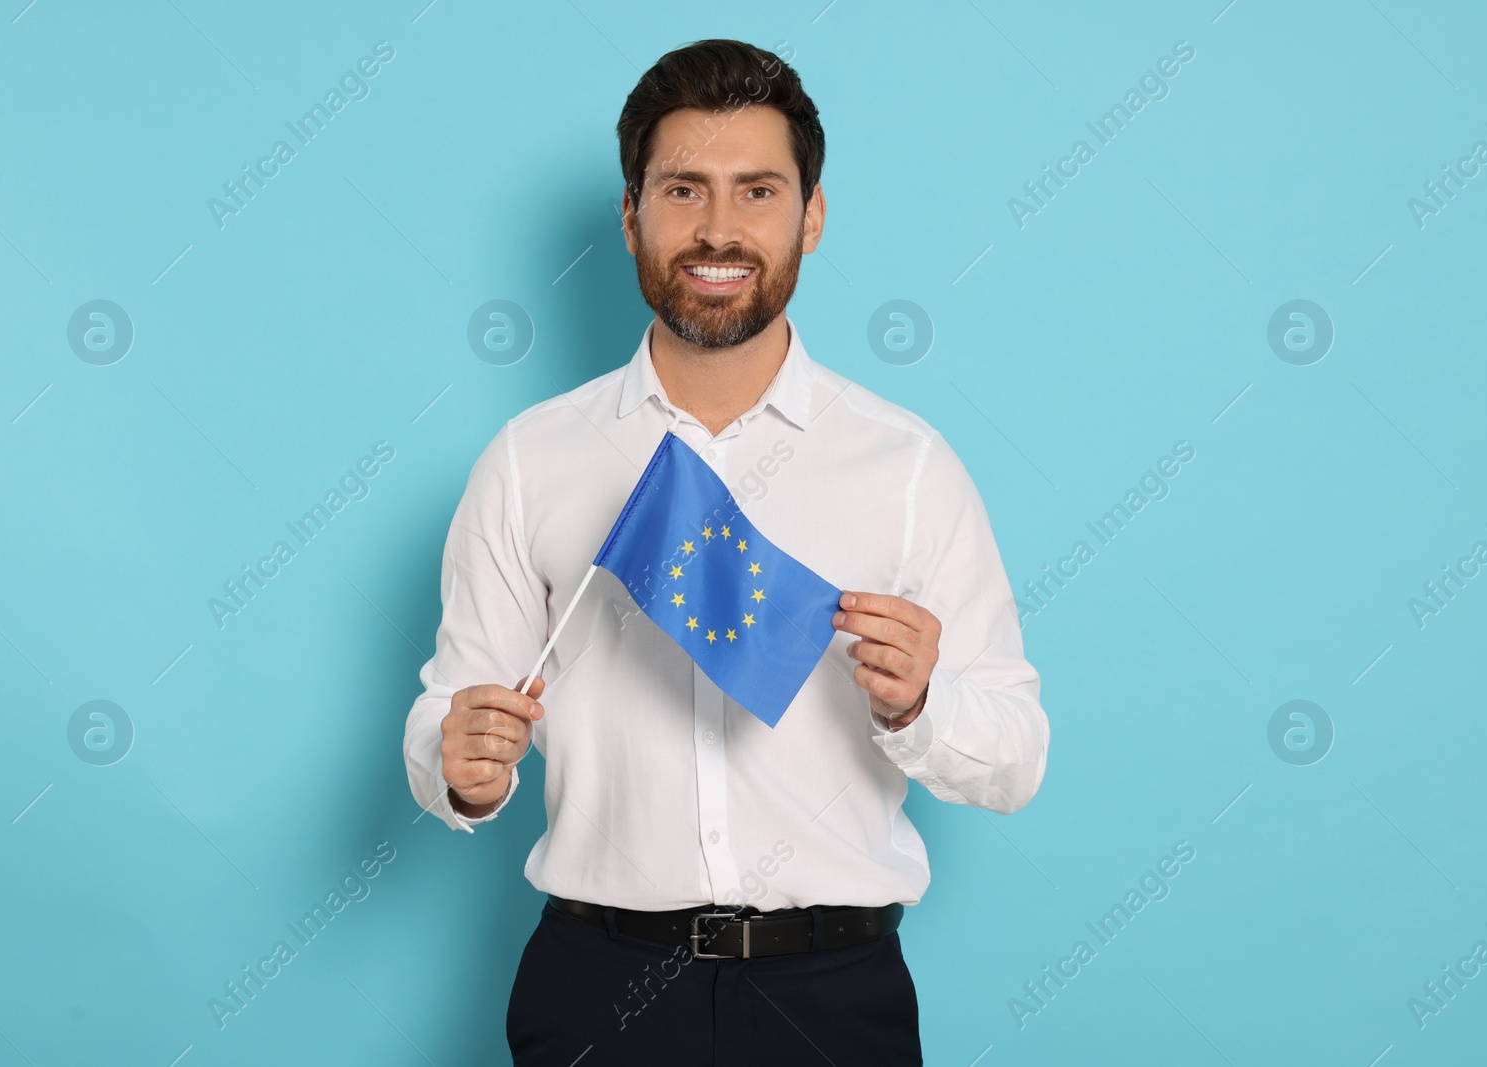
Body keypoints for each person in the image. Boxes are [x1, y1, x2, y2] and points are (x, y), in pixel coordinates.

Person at [403, 38, 1050, 1067]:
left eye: (757, 190)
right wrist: (460, 765)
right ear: (631, 217)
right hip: (596, 989)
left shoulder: (907, 463)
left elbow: (1015, 756)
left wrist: (920, 702)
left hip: (832, 994)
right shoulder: (533, 459)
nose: (717, 229)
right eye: (681, 189)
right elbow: (449, 709)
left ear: (811, 214)